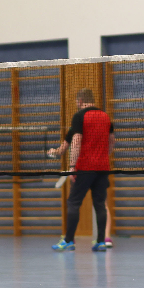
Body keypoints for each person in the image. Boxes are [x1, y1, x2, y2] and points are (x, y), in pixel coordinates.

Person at [47, 88, 114, 252]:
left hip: (84, 167)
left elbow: (76, 141)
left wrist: (72, 167)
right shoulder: (106, 116)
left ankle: (69, 240)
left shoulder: (79, 117)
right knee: (100, 204)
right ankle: (100, 242)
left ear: (80, 101)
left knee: (73, 203)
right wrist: (104, 156)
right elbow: (112, 140)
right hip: (102, 167)